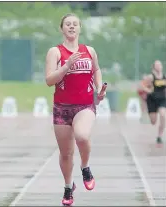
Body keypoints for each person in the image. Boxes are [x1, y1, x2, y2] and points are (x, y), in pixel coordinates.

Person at [45, 13, 106, 206]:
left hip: (85, 105)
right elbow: (49, 80)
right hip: (62, 108)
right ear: (62, 28)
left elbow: (96, 70)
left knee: (82, 136)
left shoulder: (89, 50)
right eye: (68, 24)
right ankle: (68, 186)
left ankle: (85, 167)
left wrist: (99, 88)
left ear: (80, 28)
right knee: (66, 153)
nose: (71, 27)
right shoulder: (55, 52)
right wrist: (66, 66)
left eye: (75, 24)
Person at [140, 60, 166, 144]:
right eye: (157, 65)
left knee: (163, 115)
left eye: (160, 65)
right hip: (152, 100)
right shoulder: (151, 77)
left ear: (162, 66)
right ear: (154, 67)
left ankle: (159, 135)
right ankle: (154, 114)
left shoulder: (164, 76)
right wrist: (148, 90)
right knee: (153, 121)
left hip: (162, 99)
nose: (159, 67)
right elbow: (142, 85)